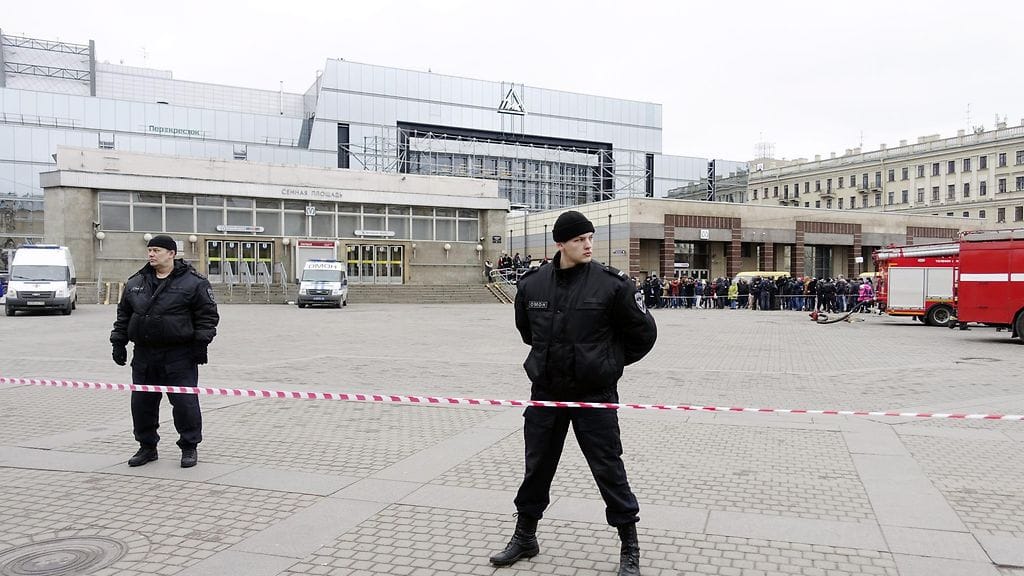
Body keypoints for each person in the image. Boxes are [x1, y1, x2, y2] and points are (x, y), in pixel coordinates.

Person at [492, 211, 657, 576]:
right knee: (537, 467)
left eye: (590, 238)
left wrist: (607, 362)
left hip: (593, 395)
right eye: (580, 239)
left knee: (608, 468)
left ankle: (629, 546)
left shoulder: (612, 285)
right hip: (547, 392)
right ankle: (525, 536)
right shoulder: (533, 285)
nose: (588, 245)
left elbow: (644, 334)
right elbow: (527, 332)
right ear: (560, 243)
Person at [110, 235, 219, 468]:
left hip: (179, 355)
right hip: (144, 355)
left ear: (171, 253)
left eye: (157, 250)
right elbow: (124, 316)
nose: (151, 254)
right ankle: (147, 447)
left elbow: (207, 317)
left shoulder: (194, 282)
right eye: (149, 250)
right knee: (142, 404)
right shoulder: (136, 282)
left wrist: (201, 345)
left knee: (184, 403)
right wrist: (118, 342)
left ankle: (189, 446)